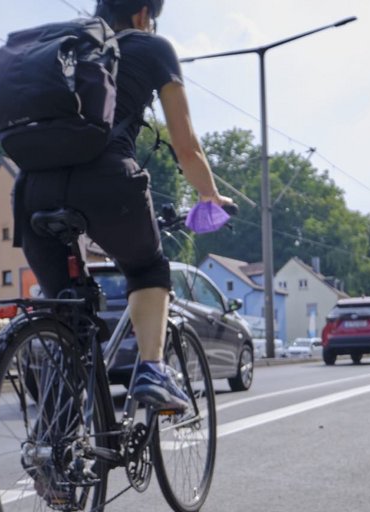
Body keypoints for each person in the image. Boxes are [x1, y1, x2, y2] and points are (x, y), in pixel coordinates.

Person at [13, 0, 235, 413]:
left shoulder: (67, 45)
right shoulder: (153, 48)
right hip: (107, 181)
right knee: (147, 268)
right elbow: (186, 148)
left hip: (32, 190)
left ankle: (52, 454)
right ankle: (151, 370)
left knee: (68, 316)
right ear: (143, 14)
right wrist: (210, 196)